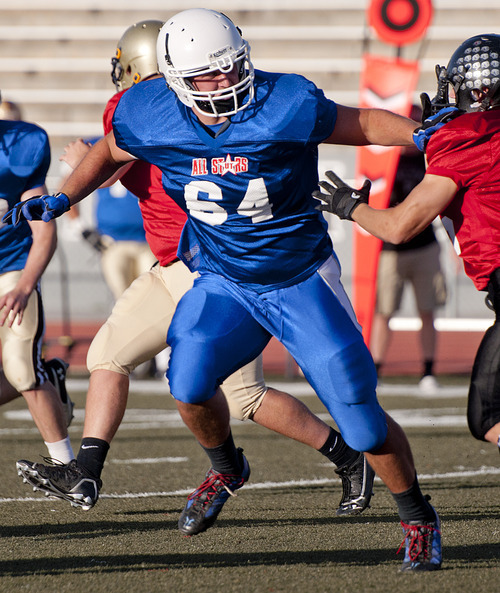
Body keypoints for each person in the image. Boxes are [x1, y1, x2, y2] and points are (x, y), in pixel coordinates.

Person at [6, 9, 448, 571]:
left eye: (229, 70)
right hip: (223, 280)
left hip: (300, 278)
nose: (223, 84)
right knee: (189, 385)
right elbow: (111, 150)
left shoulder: (285, 101)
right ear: (171, 79)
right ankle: (227, 466)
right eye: (205, 78)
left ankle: (416, 516)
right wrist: (65, 198)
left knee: (359, 419)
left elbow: (358, 122)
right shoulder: (148, 112)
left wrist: (421, 132)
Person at [314, 34, 500, 456]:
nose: (448, 95)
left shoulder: (469, 138)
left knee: (489, 417)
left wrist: (350, 207)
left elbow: (399, 226)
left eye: (456, 84)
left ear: (481, 88)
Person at [0, 94, 74, 463]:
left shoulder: (20, 150)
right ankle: (53, 378)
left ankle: (66, 467)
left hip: (12, 267)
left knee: (20, 366)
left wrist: (24, 286)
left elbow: (43, 232)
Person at [370, 104, 447, 392]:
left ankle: (428, 370)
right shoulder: (388, 163)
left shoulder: (429, 159)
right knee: (384, 311)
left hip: (425, 244)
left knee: (427, 310)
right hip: (390, 248)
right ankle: (376, 368)